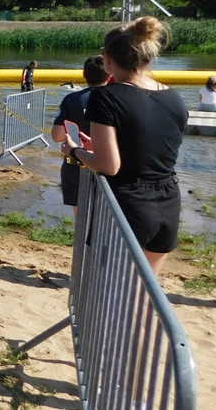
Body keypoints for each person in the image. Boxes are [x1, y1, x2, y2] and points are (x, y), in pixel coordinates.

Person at [61, 17, 187, 275]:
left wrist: (75, 151)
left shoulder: (105, 97)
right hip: (168, 203)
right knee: (143, 292)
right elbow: (150, 148)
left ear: (107, 59)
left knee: (111, 294)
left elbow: (109, 166)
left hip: (128, 208)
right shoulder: (174, 97)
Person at [51, 55, 106, 211]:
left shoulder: (72, 99)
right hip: (108, 163)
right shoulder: (117, 99)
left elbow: (57, 136)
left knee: (81, 216)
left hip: (76, 163)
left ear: (84, 74)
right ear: (109, 75)